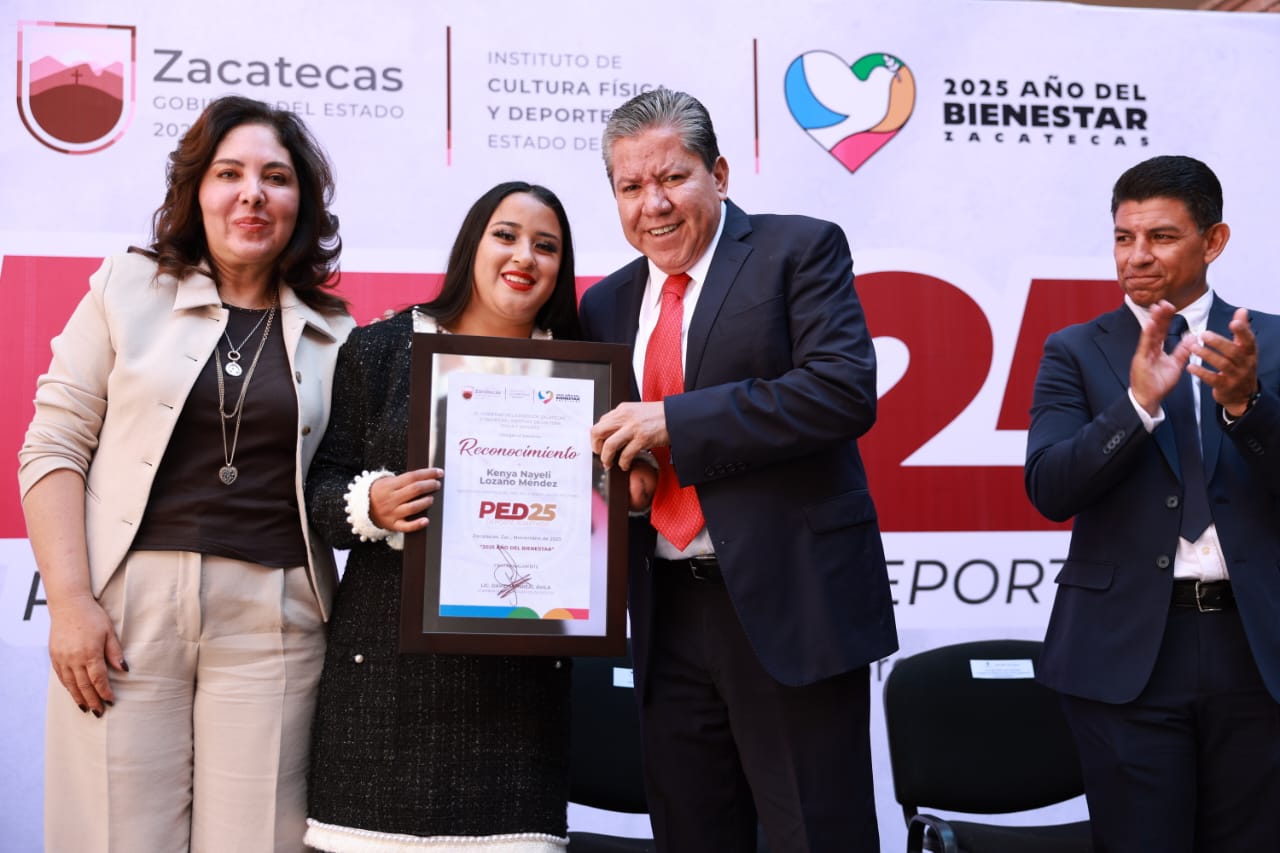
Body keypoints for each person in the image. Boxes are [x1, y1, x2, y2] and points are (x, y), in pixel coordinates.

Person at [18, 95, 354, 852]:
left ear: (301, 203)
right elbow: (53, 445)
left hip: (276, 620)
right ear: (196, 191)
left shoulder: (338, 334)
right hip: (126, 614)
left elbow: (346, 484)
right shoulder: (126, 286)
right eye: (229, 173)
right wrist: (69, 604)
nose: (252, 194)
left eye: (276, 177)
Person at [579, 88, 897, 853]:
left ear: (718, 174)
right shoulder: (605, 304)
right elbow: (611, 451)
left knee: (815, 834)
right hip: (665, 613)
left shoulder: (799, 250)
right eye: (631, 186)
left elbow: (842, 390)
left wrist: (676, 420)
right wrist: (626, 491)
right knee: (692, 832)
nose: (654, 204)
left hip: (791, 606)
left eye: (672, 177)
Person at [303, 181, 582, 852]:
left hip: (517, 701)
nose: (525, 256)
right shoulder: (381, 349)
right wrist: (372, 502)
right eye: (506, 235)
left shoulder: (581, 370)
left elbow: (603, 520)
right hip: (382, 691)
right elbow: (318, 491)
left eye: (546, 246)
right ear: (471, 246)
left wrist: (621, 494)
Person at [1026, 154, 1280, 851]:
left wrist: (1247, 406)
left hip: (1257, 647)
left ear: (1214, 240)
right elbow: (1050, 488)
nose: (1136, 256)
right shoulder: (1074, 351)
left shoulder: (1271, 344)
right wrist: (1136, 406)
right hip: (1125, 651)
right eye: (1123, 237)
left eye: (1161, 236)